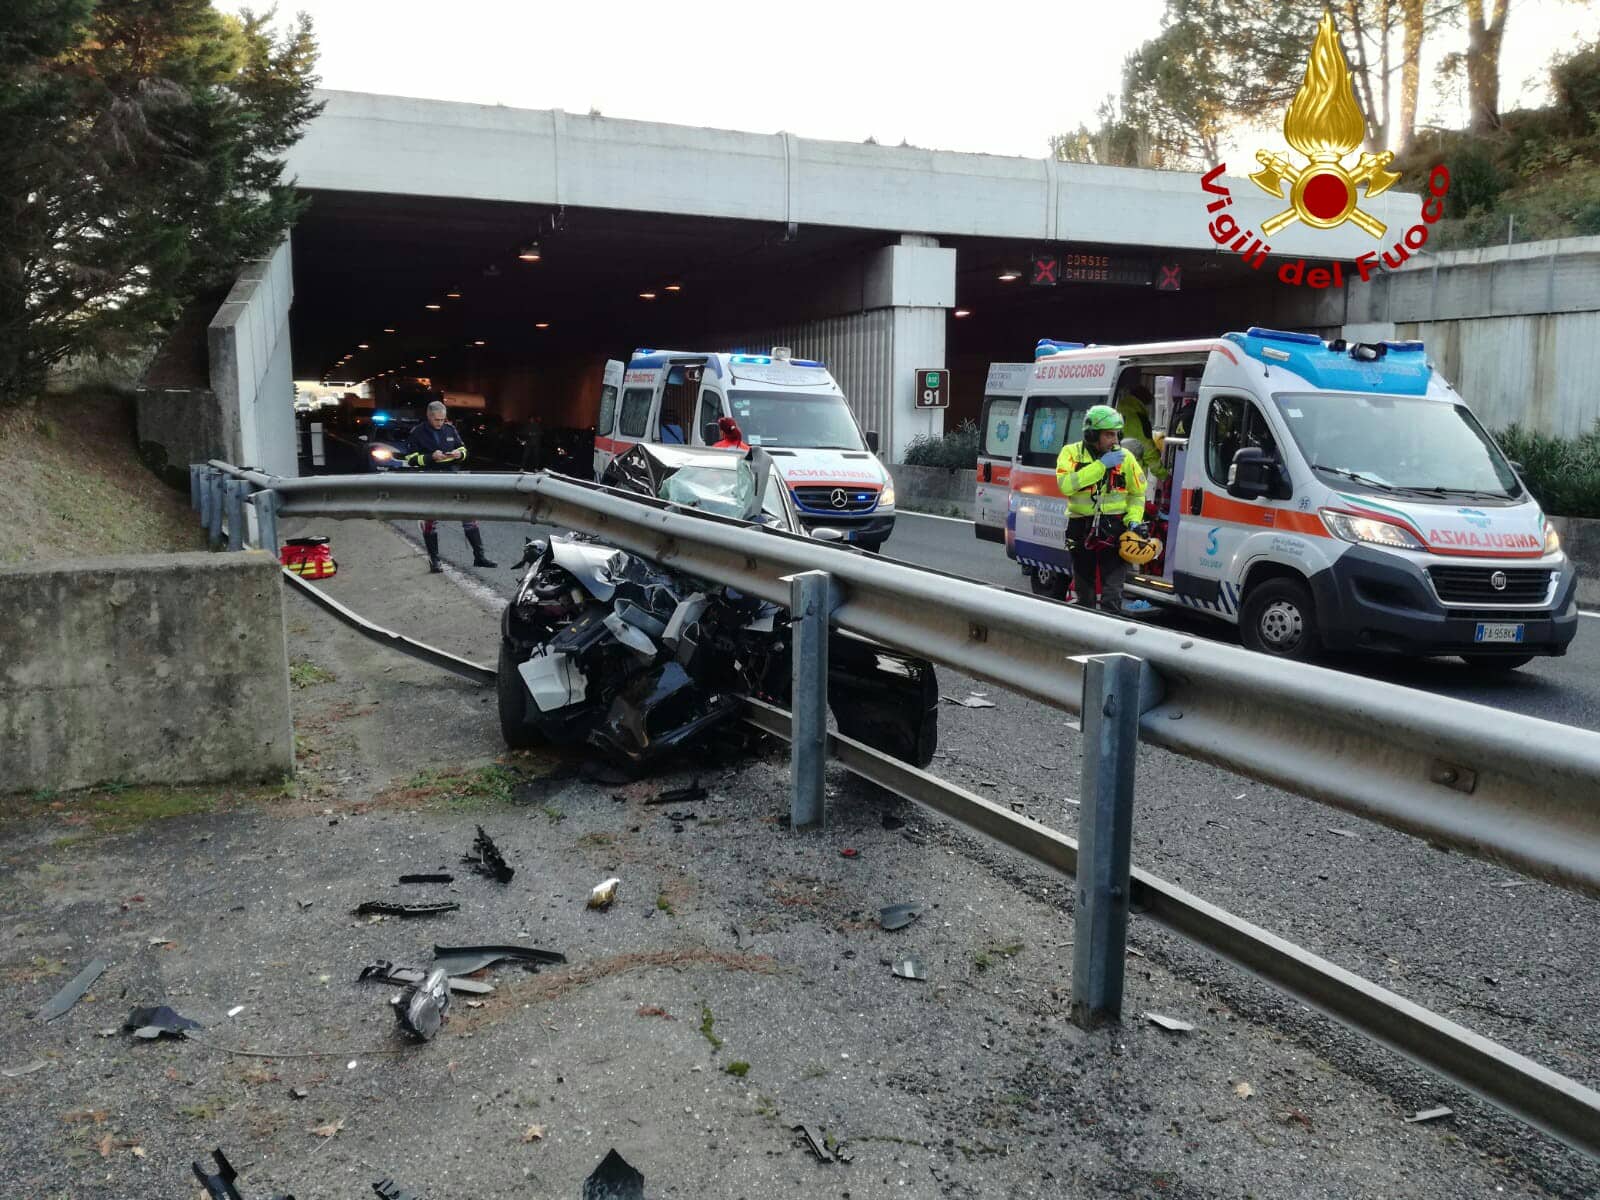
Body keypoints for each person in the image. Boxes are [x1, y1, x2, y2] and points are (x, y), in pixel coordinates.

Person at [1055, 404, 1147, 614]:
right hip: (1081, 528)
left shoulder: (1126, 458)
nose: (1115, 441)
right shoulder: (1070, 454)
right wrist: (1101, 466)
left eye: (1117, 435)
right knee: (1084, 593)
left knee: (1112, 595)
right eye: (1108, 435)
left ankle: (1110, 635)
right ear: (1091, 434)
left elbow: (1137, 493)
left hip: (1115, 529)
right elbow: (1066, 485)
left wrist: (1134, 519)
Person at [404, 400, 498, 573]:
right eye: (436, 420)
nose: (440, 423)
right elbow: (410, 458)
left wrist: (458, 454)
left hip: (453, 477)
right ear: (429, 416)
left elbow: (464, 450)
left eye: (442, 419)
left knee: (468, 515)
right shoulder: (417, 432)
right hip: (431, 479)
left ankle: (480, 557)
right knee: (431, 521)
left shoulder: (450, 429)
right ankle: (435, 561)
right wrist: (430, 457)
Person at [1116, 383, 1168, 481]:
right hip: (1132, 476)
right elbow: (1149, 452)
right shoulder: (1138, 418)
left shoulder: (1117, 410)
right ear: (1143, 403)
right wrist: (1163, 475)